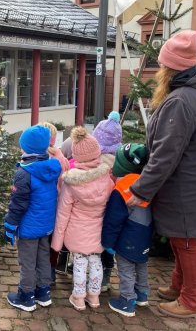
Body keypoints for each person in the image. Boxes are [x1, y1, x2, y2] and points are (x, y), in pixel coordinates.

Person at [125, 30, 196, 319]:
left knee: (191, 244)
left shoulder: (182, 100)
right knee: (184, 241)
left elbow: (165, 154)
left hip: (193, 189)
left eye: (162, 64)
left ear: (171, 67)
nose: (160, 69)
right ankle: (180, 287)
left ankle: (194, 302)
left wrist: (140, 190)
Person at [50, 127, 114, 311]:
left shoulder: (71, 183)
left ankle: (78, 297)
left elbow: (63, 214)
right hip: (98, 229)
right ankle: (94, 296)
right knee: (95, 261)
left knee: (79, 262)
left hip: (76, 232)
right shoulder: (106, 179)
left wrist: (57, 243)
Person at [3, 125, 62, 312]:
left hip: (29, 227)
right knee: (43, 257)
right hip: (45, 225)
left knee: (27, 261)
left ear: (27, 148)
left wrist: (10, 225)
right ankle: (43, 292)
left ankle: (26, 296)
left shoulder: (24, 173)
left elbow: (18, 204)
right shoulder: (51, 167)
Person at [103, 143, 153, 317]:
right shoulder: (148, 184)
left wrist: (108, 242)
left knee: (126, 268)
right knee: (141, 264)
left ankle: (127, 300)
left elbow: (114, 220)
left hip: (127, 236)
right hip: (145, 233)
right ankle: (142, 294)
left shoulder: (121, 188)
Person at [92, 110, 122, 290]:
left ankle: (101, 272)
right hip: (113, 208)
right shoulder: (121, 158)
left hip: (98, 207)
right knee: (108, 241)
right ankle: (106, 273)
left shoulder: (96, 159)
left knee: (98, 240)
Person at [38, 122, 70, 285]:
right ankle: (50, 273)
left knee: (41, 241)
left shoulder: (36, 157)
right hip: (58, 205)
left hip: (41, 206)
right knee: (54, 240)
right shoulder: (61, 158)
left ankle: (39, 272)